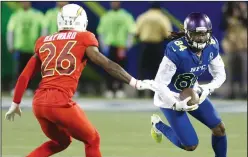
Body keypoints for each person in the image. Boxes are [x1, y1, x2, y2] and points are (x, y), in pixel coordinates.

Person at [5, 4, 157, 157]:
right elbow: (106, 64)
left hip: (38, 104)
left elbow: (25, 75)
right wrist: (134, 82)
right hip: (60, 101)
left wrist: (15, 102)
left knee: (61, 142)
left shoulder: (44, 41)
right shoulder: (84, 38)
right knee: (92, 139)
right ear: (81, 21)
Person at [150, 13, 227, 157]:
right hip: (169, 96)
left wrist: (207, 88)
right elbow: (160, 84)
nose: (201, 38)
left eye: (204, 34)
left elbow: (220, 75)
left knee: (219, 129)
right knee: (190, 145)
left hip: (193, 91)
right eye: (196, 34)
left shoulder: (212, 45)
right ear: (187, 34)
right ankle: (158, 125)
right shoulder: (176, 51)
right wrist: (175, 104)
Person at [97, 1, 136, 99]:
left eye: (116, 2)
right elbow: (101, 32)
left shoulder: (126, 16)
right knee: (107, 68)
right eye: (113, 2)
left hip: (121, 46)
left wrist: (128, 44)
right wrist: (103, 45)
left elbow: (131, 31)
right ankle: (109, 89)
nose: (114, 4)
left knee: (121, 69)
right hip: (109, 46)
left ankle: (120, 89)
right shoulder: (106, 16)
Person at [136, 2, 172, 98]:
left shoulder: (143, 17)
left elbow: (136, 32)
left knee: (142, 69)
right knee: (157, 70)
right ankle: (154, 93)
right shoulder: (162, 18)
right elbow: (168, 34)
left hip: (145, 45)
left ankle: (140, 92)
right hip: (157, 45)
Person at [7, 1, 43, 95]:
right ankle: (16, 88)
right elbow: (10, 31)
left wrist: (42, 45)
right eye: (22, 1)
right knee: (18, 70)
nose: (24, 3)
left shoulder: (37, 15)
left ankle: (29, 89)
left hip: (32, 48)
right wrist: (10, 44)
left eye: (26, 1)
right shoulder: (15, 15)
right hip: (19, 47)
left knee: (32, 70)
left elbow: (43, 29)